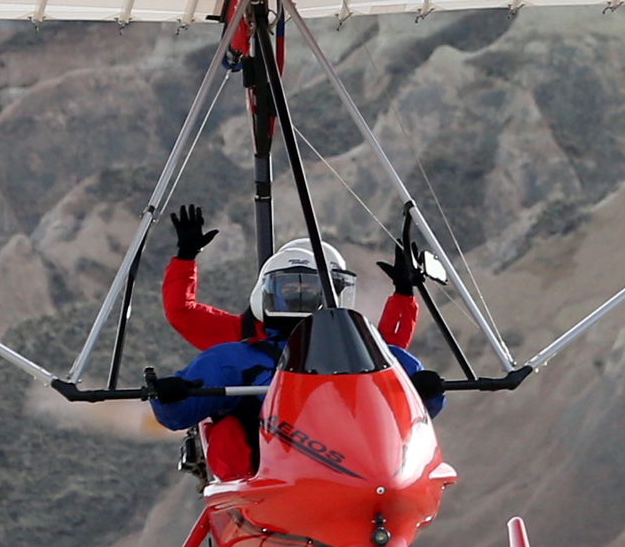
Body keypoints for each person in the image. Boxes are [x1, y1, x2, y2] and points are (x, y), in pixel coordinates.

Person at [149, 204, 444, 479]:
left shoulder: (344, 346)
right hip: (264, 462)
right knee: (231, 430)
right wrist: (185, 258)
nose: (299, 298)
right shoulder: (240, 349)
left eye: (313, 290)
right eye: (288, 290)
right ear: (267, 294)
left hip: (345, 458)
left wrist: (404, 294)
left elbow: (385, 359)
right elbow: (183, 316)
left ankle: (376, 480)